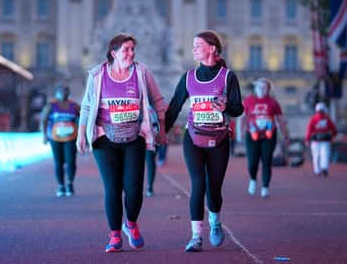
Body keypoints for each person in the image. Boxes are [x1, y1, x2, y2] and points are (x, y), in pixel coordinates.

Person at [77, 34, 167, 253]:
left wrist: (162, 129)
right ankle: (115, 235)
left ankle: (131, 224)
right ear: (113, 53)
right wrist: (81, 134)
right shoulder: (97, 75)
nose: (131, 53)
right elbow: (87, 107)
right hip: (104, 139)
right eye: (126, 49)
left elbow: (158, 100)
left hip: (134, 138)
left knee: (134, 189)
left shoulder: (142, 72)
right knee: (113, 188)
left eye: (133, 49)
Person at [165, 31, 243, 253]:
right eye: (193, 45)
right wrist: (162, 132)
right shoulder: (188, 77)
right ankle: (196, 237)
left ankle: (215, 221)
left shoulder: (228, 77)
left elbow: (238, 109)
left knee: (214, 189)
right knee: (198, 185)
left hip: (219, 139)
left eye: (198, 45)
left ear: (212, 48)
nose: (194, 49)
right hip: (194, 138)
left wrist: (225, 107)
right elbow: (174, 107)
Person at [240, 77, 290, 198]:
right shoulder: (248, 101)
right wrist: (240, 132)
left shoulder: (273, 102)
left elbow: (281, 120)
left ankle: (265, 187)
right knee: (252, 161)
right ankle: (252, 179)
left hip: (269, 135)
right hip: (251, 134)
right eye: (259, 87)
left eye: (264, 87)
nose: (261, 89)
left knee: (266, 161)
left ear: (268, 89)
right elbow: (242, 118)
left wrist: (286, 135)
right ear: (255, 88)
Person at [40, 85, 80, 196]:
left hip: (71, 138)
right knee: (59, 162)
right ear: (56, 93)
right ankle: (61, 186)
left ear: (69, 92)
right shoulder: (50, 106)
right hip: (55, 138)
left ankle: (70, 183)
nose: (63, 93)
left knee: (71, 162)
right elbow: (43, 120)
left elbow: (82, 119)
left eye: (66, 91)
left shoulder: (75, 106)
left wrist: (83, 135)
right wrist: (44, 135)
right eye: (60, 91)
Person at [305, 102, 338, 177]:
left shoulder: (324, 118)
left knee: (322, 155)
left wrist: (307, 139)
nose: (320, 112)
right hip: (318, 140)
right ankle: (319, 170)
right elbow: (309, 130)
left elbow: (333, 129)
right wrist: (307, 139)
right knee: (320, 155)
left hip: (322, 140)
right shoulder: (319, 118)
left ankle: (322, 169)